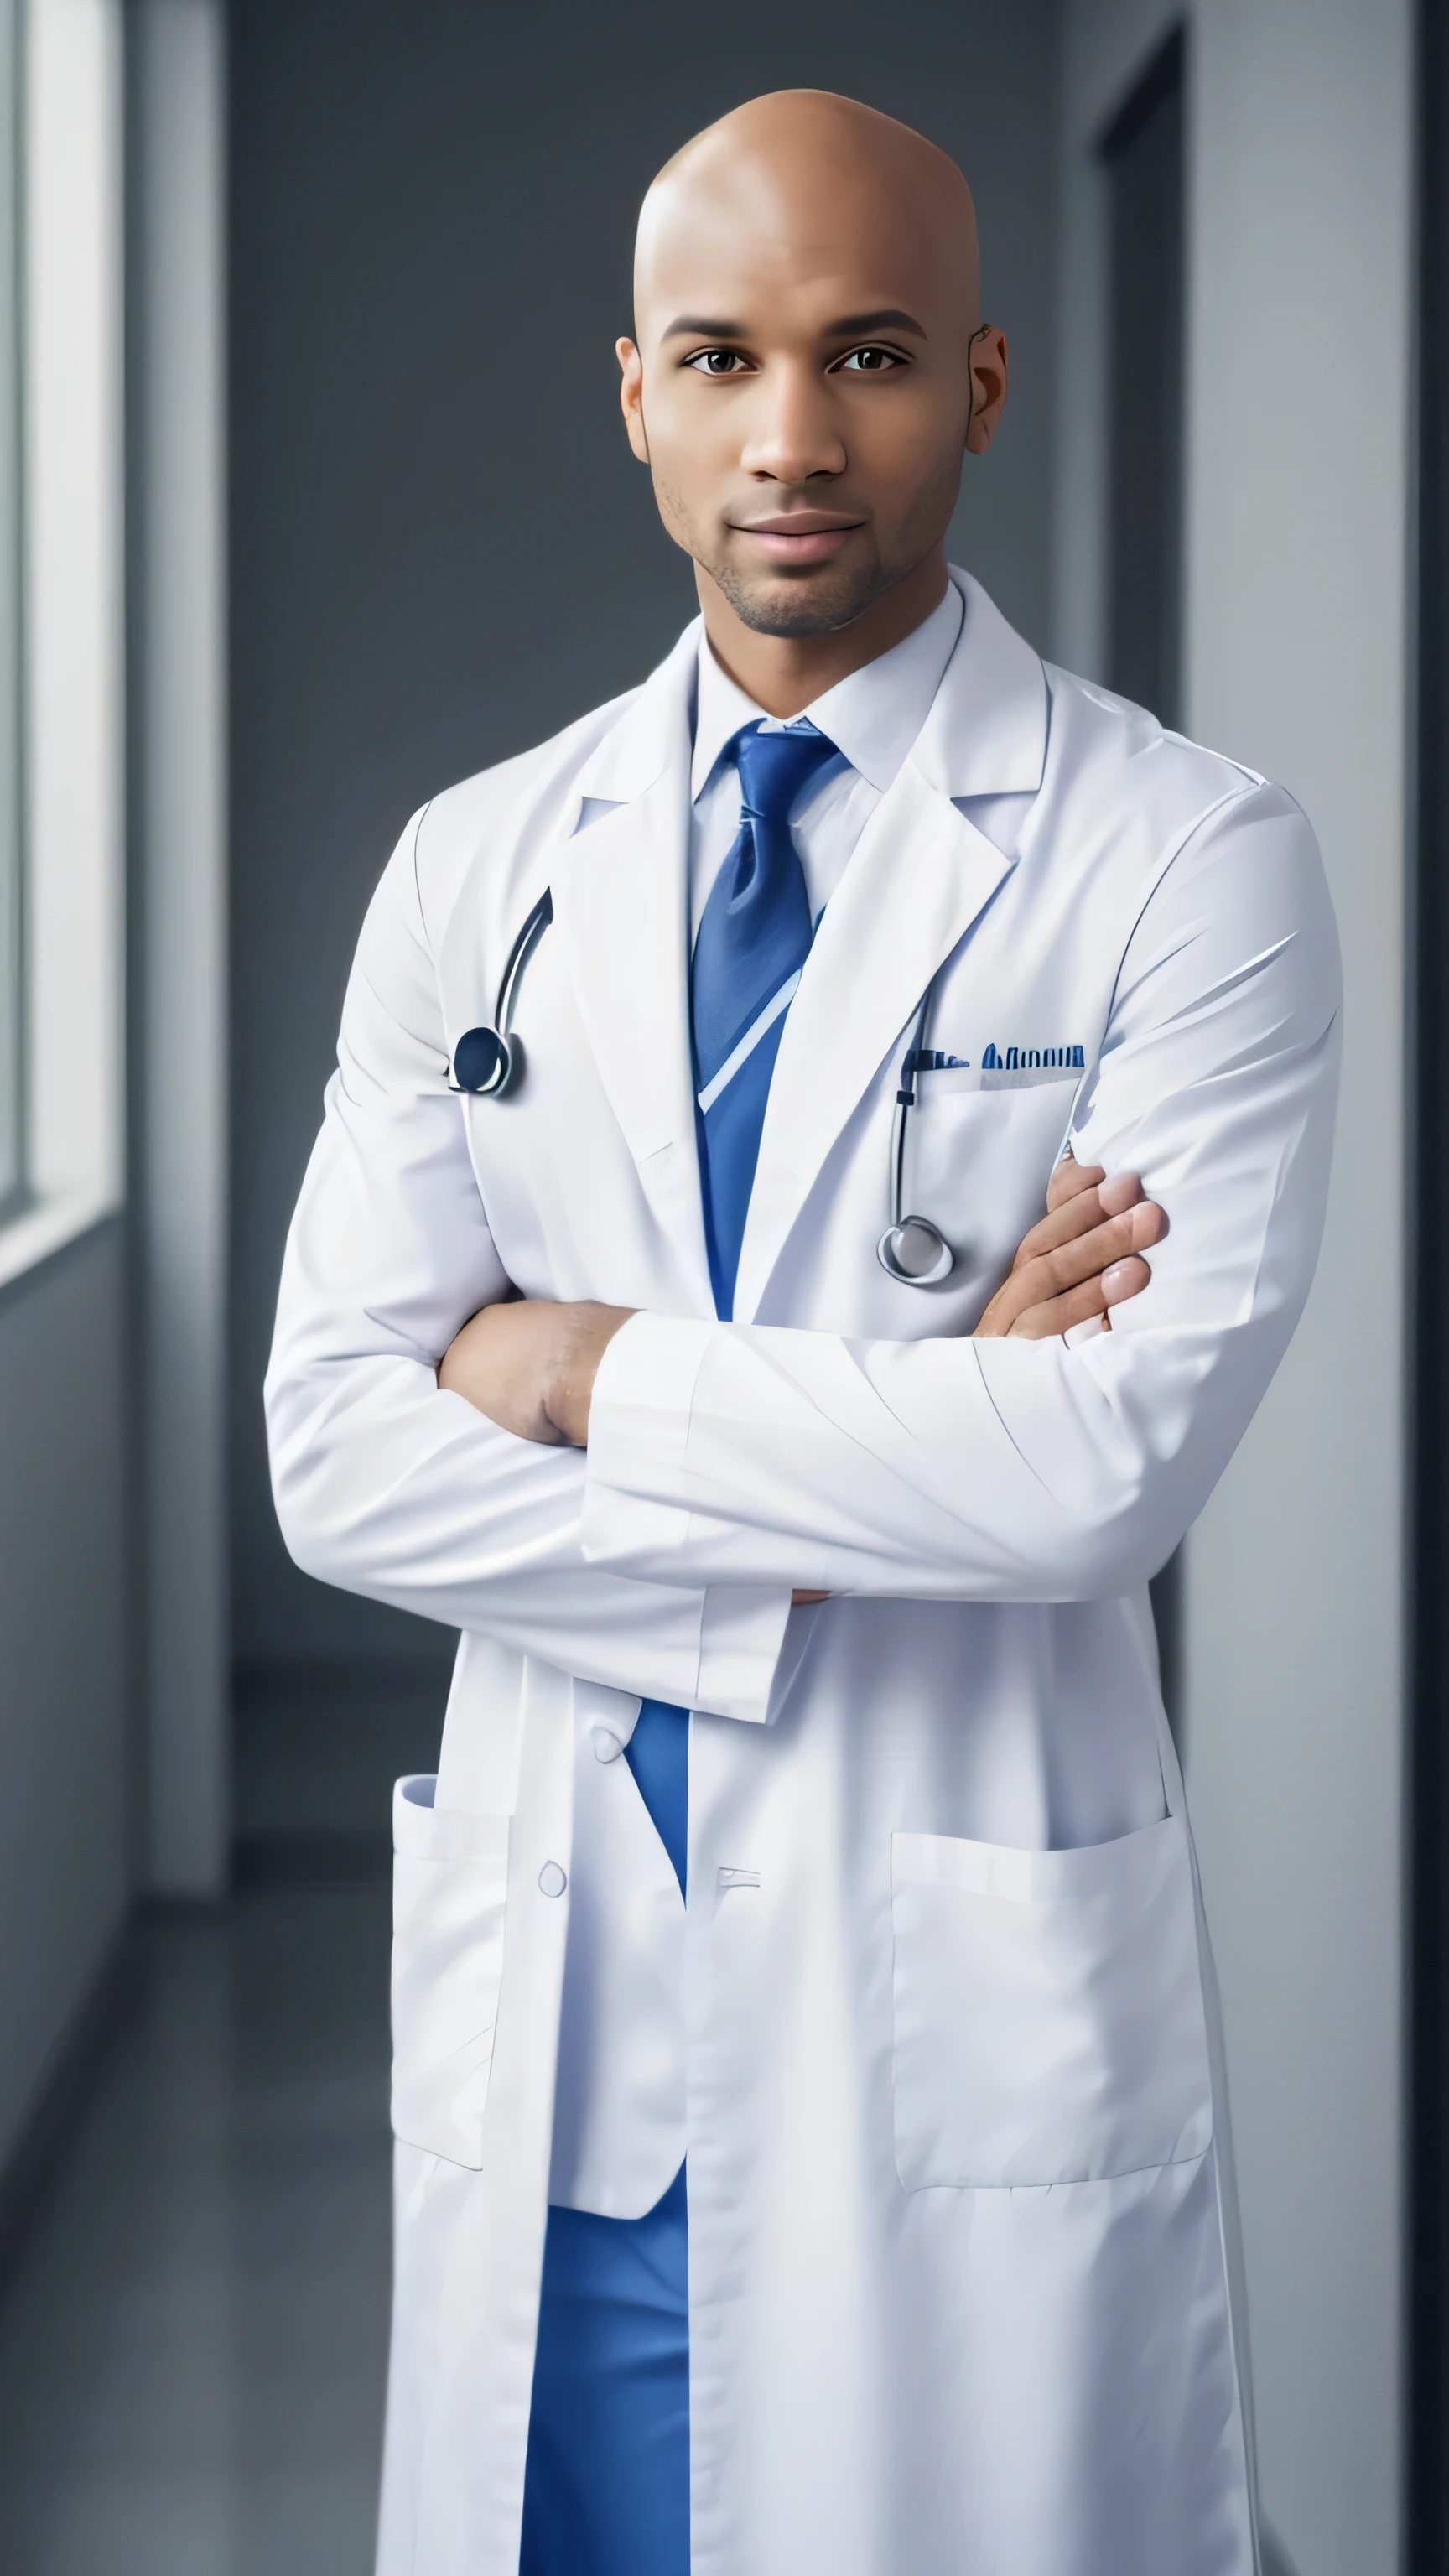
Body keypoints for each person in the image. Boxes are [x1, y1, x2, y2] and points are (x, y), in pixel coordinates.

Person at [265, 87, 1339, 2576]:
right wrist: (882, 1477)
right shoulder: (482, 866)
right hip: (558, 2040)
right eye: (720, 360)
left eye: (863, 356)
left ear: (974, 382)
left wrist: (565, 1366)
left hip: (929, 2036)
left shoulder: (1186, 858)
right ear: (629, 391)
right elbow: (335, 1448)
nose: (789, 439)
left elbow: (1098, 1477)